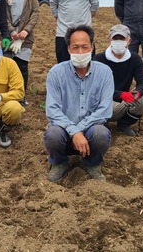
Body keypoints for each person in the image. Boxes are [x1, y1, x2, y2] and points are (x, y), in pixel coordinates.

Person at [44, 25, 113, 182]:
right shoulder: (56, 73)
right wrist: (73, 131)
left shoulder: (104, 73)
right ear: (68, 49)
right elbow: (52, 110)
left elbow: (104, 110)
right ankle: (59, 162)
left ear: (92, 47)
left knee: (100, 133)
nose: (80, 52)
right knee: (53, 134)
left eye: (85, 47)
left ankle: (93, 163)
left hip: (90, 133)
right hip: (63, 131)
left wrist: (79, 130)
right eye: (75, 47)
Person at [93, 24, 143, 136]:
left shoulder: (134, 59)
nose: (119, 41)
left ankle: (124, 123)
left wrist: (137, 92)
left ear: (129, 41)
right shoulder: (99, 59)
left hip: (123, 102)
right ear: (110, 40)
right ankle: (100, 123)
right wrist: (121, 95)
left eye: (122, 39)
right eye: (115, 38)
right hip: (104, 102)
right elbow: (97, 87)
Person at [1, 0, 39, 106]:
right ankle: (8, 96)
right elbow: (1, 13)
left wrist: (25, 31)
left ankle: (21, 96)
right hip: (7, 36)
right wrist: (10, 30)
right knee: (7, 66)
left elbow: (35, 12)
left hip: (25, 37)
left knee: (22, 66)